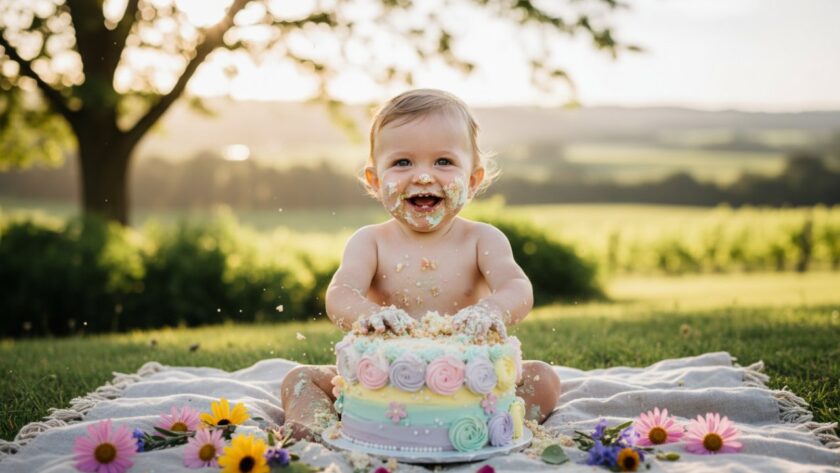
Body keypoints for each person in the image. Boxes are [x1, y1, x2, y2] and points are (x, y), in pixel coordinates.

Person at [280, 89, 562, 440]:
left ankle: (503, 425)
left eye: (443, 162)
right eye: (403, 163)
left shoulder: (482, 239)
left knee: (544, 378)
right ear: (376, 181)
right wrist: (365, 314)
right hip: (383, 376)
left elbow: (517, 287)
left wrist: (491, 310)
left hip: (467, 379)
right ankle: (320, 430)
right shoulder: (370, 242)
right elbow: (340, 293)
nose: (424, 177)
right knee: (300, 379)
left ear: (473, 180)